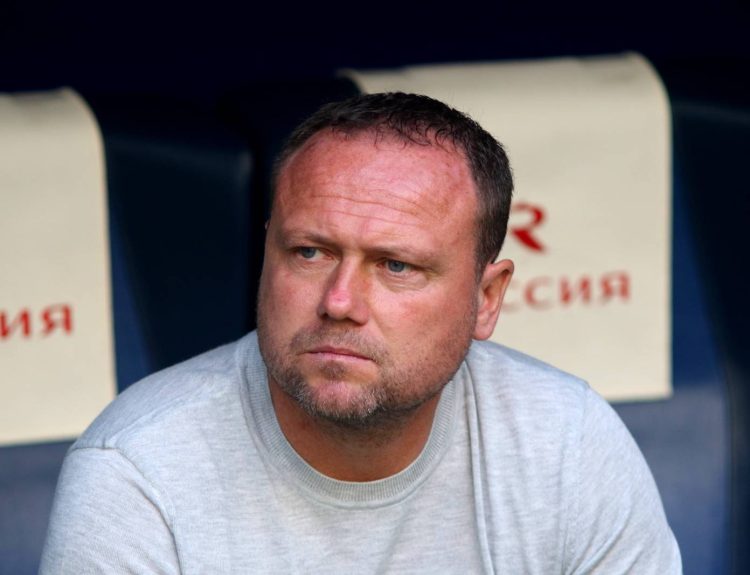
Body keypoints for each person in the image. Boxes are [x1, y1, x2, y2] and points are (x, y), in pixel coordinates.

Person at [41, 92, 681, 573]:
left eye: (396, 266)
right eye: (310, 252)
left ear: (486, 299)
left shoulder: (567, 443)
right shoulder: (140, 471)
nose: (340, 302)